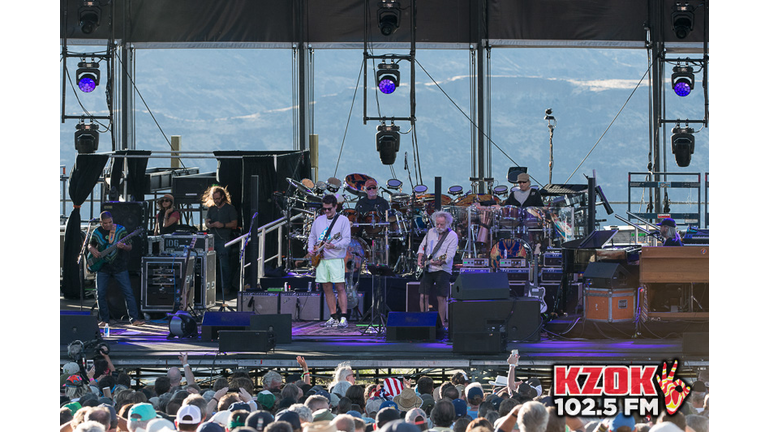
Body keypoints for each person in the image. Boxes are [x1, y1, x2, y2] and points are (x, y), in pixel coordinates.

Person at [88, 211, 144, 327]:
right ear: (100, 222)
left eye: (110, 222)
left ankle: (134, 319)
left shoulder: (120, 230)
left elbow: (130, 246)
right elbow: (90, 244)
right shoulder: (96, 232)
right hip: (102, 267)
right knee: (100, 293)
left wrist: (124, 246)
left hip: (119, 266)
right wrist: (92, 249)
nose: (108, 225)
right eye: (105, 223)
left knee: (128, 292)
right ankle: (104, 319)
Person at [308, 194, 352, 328]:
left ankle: (343, 317)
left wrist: (334, 245)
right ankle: (333, 316)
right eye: (324, 209)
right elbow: (312, 236)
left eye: (329, 209)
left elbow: (346, 240)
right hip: (321, 258)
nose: (327, 211)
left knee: (340, 287)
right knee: (326, 287)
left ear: (335, 207)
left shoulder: (343, 220)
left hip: (336, 258)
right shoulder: (318, 220)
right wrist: (311, 249)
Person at [416, 210, 459, 329]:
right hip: (428, 268)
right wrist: (420, 260)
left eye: (442, 224)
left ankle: (441, 324)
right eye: (437, 224)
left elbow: (450, 255)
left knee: (441, 297)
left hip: (443, 269)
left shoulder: (452, 236)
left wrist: (440, 261)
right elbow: (422, 247)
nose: (439, 226)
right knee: (423, 296)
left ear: (448, 224)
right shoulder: (430, 232)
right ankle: (424, 322)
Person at [203, 185, 239, 295]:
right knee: (209, 264)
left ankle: (225, 287)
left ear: (222, 197)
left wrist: (222, 225)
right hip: (212, 239)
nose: (216, 201)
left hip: (224, 239)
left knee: (224, 264)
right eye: (214, 199)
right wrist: (208, 224)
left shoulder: (230, 208)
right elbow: (207, 221)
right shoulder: (211, 208)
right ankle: (209, 287)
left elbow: (234, 224)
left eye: (218, 199)